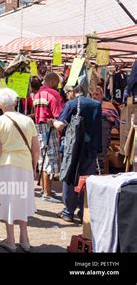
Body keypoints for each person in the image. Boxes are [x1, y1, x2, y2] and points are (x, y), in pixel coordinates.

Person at [0, 88, 40, 252]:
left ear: (0, 104)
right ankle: (25, 239)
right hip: (25, 166)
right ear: (15, 103)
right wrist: (34, 166)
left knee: (7, 201)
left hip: (4, 167)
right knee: (21, 200)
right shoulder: (28, 121)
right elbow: (36, 149)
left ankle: (11, 239)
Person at [53, 85, 102, 224]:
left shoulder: (71, 104)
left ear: (73, 91)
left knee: (69, 177)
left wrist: (54, 122)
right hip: (90, 148)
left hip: (73, 148)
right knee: (86, 180)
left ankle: (68, 211)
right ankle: (83, 212)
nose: (67, 95)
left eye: (68, 92)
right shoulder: (96, 105)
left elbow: (60, 125)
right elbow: (98, 128)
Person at [32, 72, 64, 203]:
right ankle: (47, 193)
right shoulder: (53, 94)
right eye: (57, 83)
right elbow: (58, 114)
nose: (57, 86)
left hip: (39, 127)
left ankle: (46, 190)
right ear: (52, 81)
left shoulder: (37, 94)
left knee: (43, 158)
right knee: (50, 160)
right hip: (50, 127)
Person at [92, 86, 119, 170]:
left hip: (103, 134)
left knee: (101, 157)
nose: (94, 96)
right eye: (93, 94)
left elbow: (117, 121)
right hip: (91, 134)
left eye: (96, 94)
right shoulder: (89, 105)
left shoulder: (109, 106)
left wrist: (110, 119)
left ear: (101, 95)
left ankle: (100, 171)